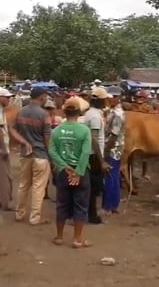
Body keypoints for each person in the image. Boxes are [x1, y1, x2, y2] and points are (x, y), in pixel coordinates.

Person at [49, 96, 93, 248]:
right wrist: (78, 172)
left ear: (64, 112)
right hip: (81, 174)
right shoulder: (84, 131)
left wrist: (65, 167)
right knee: (80, 206)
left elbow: (52, 151)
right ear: (79, 113)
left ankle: (60, 237)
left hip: (63, 173)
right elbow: (86, 152)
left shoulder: (56, 131)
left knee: (61, 204)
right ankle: (77, 239)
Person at [0, 87, 30, 211]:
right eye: (7, 97)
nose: (9, 99)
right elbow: (0, 130)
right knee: (5, 176)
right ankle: (6, 203)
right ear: (0, 98)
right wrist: (4, 148)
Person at [14, 87, 50, 225]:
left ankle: (19, 213)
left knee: (23, 185)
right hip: (40, 154)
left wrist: (23, 142)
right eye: (46, 97)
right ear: (41, 97)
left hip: (25, 154)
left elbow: (13, 130)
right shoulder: (44, 114)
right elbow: (47, 137)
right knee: (38, 187)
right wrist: (50, 154)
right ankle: (34, 217)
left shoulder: (21, 112)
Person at [84, 87, 111, 224]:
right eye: (105, 99)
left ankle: (89, 214)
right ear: (101, 100)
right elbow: (94, 138)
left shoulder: (90, 113)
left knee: (90, 187)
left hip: (90, 154)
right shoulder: (94, 117)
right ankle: (92, 216)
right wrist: (101, 160)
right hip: (93, 155)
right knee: (94, 187)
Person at [103, 86, 126, 214]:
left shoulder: (118, 114)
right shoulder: (112, 111)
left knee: (110, 176)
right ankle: (114, 204)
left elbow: (114, 135)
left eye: (113, 97)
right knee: (114, 175)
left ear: (118, 98)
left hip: (113, 148)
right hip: (114, 147)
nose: (110, 99)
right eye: (109, 97)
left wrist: (106, 151)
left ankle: (109, 206)